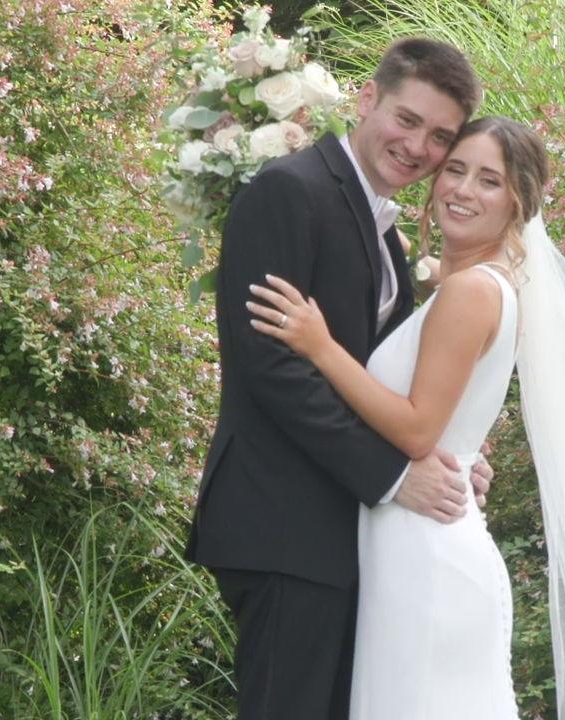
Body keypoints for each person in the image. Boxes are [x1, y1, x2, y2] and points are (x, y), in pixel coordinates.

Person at [246, 117, 565, 719]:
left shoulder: (472, 292)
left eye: (488, 180)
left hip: (427, 559)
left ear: (518, 202)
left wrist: (320, 347)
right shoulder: (471, 284)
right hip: (411, 545)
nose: (462, 189)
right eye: (454, 170)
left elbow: (418, 430)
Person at [184, 37, 496, 720]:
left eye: (439, 136)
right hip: (284, 522)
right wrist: (395, 475)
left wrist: (448, 457)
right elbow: (273, 369)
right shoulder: (289, 191)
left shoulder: (381, 229)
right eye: (407, 120)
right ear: (367, 99)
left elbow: (382, 379)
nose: (417, 147)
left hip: (340, 533)